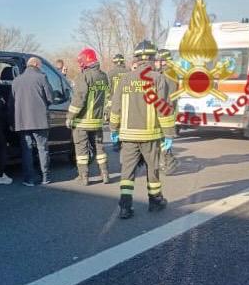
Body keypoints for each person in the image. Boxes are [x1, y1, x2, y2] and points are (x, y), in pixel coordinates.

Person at [109, 40, 176, 219]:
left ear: (136, 58)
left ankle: (125, 206)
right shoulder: (158, 78)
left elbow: (116, 107)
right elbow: (164, 109)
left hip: (128, 136)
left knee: (127, 172)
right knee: (152, 170)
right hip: (151, 136)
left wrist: (113, 129)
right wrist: (169, 133)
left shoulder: (125, 79)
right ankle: (155, 201)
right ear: (153, 58)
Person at [66, 47, 110, 185]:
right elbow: (107, 98)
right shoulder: (103, 76)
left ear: (84, 61)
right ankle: (105, 174)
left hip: (82, 122)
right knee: (100, 148)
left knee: (81, 149)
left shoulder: (83, 76)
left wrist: (70, 117)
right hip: (97, 122)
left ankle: (83, 177)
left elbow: (79, 99)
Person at [10, 57, 54, 186]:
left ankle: (29, 179)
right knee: (42, 149)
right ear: (35, 64)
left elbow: (11, 104)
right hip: (40, 120)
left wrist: (12, 122)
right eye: (39, 65)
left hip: (22, 122)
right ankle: (45, 177)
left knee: (26, 150)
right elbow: (50, 98)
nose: (40, 67)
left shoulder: (16, 81)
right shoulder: (42, 77)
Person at [156, 48, 179, 175]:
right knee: (162, 139)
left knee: (164, 139)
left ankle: (170, 163)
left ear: (164, 61)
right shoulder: (168, 72)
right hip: (166, 109)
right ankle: (165, 162)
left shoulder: (168, 74)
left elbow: (167, 95)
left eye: (159, 60)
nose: (157, 62)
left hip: (166, 110)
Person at [105, 53, 129, 121]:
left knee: (114, 123)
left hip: (113, 102)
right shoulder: (129, 72)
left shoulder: (110, 73)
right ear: (123, 61)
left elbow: (107, 89)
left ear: (114, 62)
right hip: (126, 101)